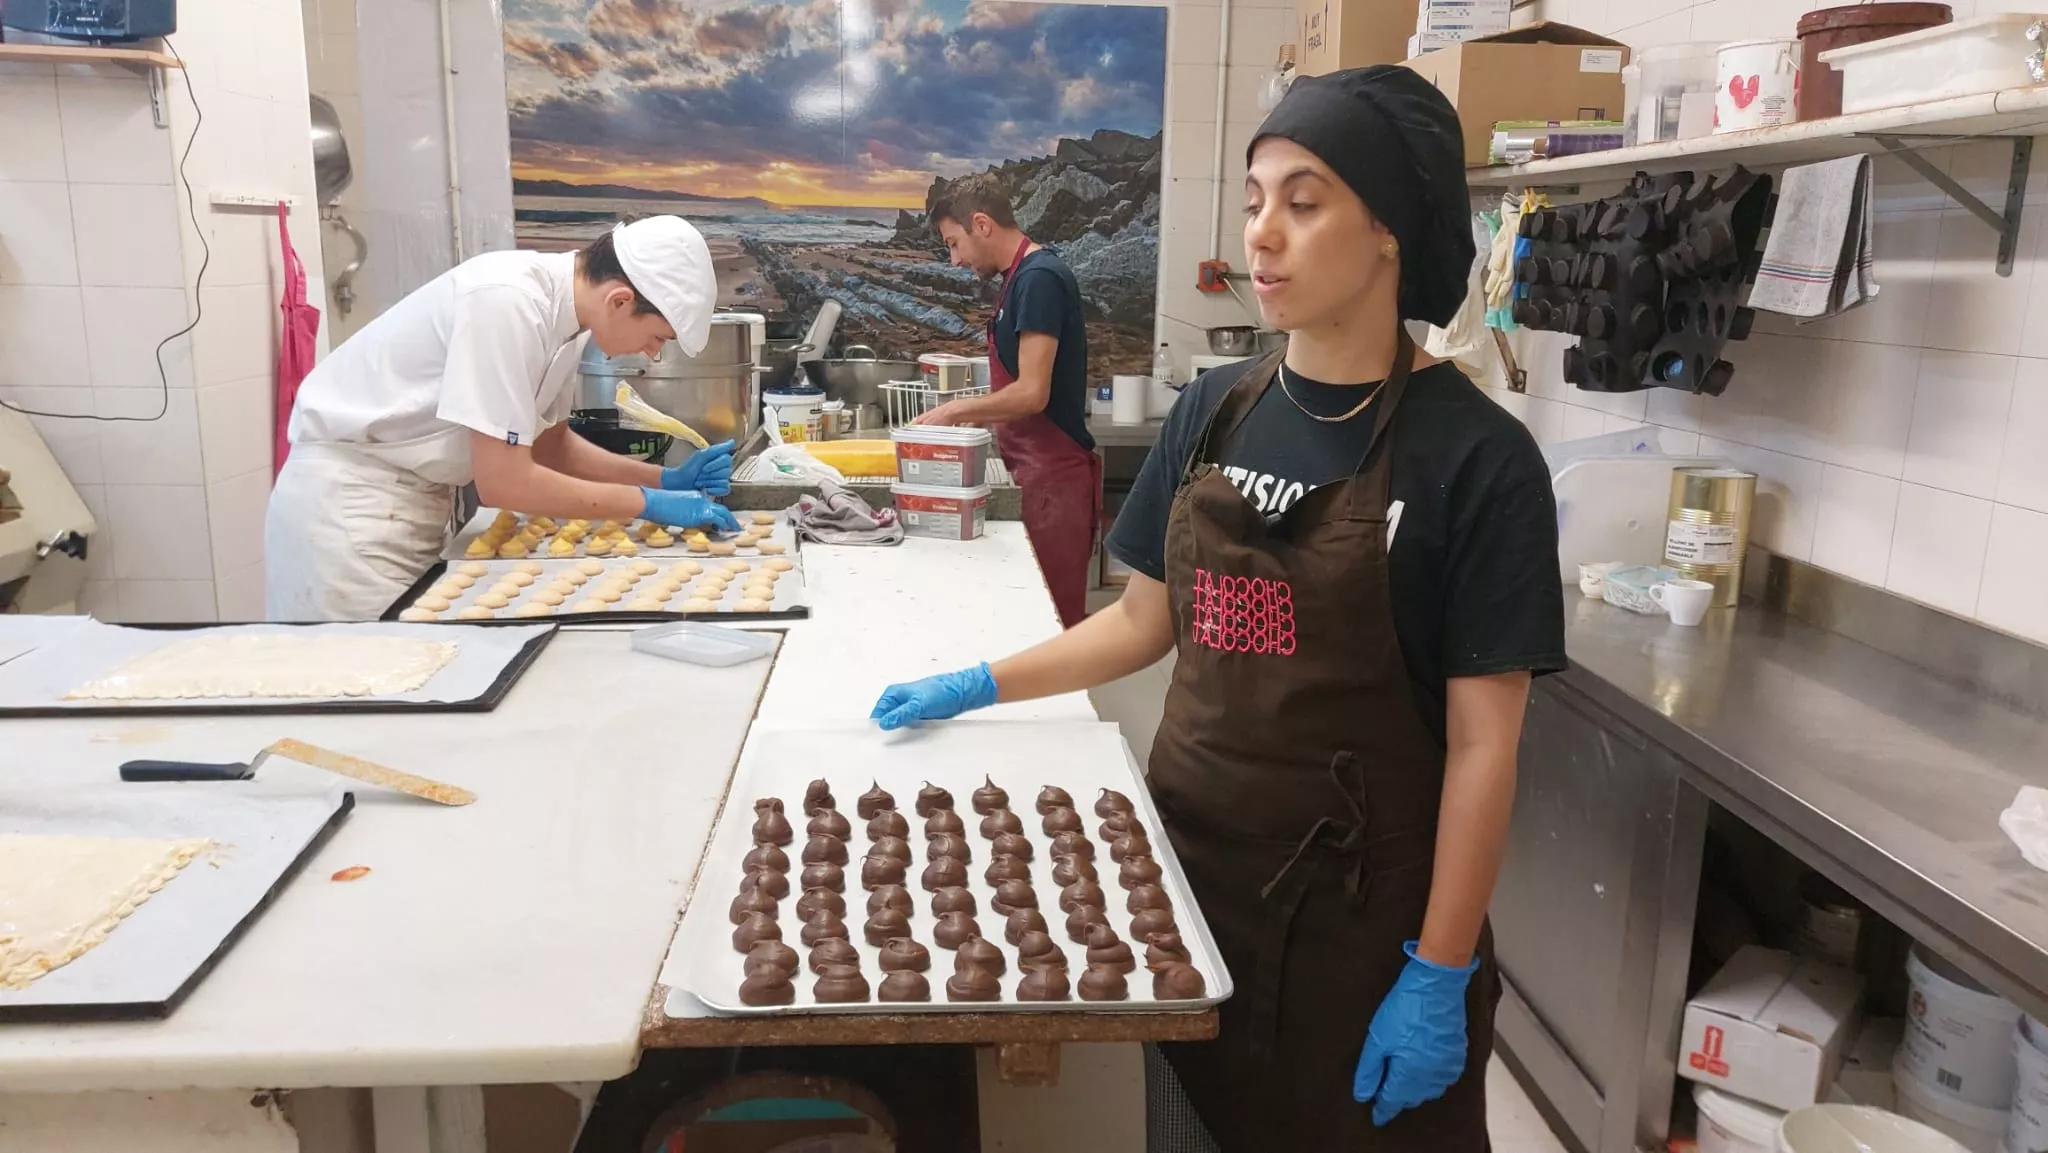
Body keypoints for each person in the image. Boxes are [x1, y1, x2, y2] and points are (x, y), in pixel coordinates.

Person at [869, 67, 1565, 1151]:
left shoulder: (1475, 457)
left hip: (1360, 927)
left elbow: (1484, 748)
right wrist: (978, 685)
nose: (1262, 236)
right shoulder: (1212, 408)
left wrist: (1438, 967)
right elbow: (1142, 622)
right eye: (1252, 200)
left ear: (1386, 230)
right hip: (1189, 884)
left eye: (1304, 199)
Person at [265, 216, 743, 621]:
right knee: (371, 692)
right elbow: (504, 483)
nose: (654, 354)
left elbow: (552, 447)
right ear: (619, 300)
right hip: (350, 512)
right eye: (657, 336)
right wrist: (647, 503)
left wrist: (665, 478)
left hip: (407, 501)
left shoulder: (567, 323)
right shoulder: (507, 301)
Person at [915, 173, 1100, 629]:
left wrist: (954, 411)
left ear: (982, 224)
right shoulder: (1017, 279)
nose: (954, 260)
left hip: (1053, 480)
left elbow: (1032, 393)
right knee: (1025, 619)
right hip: (1031, 473)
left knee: (1051, 626)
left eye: (954, 243)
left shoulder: (1039, 279)